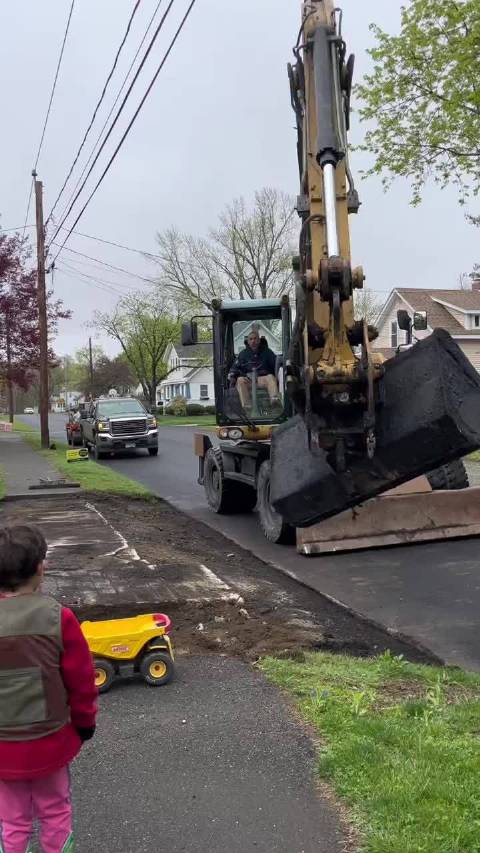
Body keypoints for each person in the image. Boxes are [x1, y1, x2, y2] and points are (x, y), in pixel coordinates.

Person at [0, 524, 97, 853]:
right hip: (50, 742)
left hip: (2, 748)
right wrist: (84, 724)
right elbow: (82, 680)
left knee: (12, 819)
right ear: (41, 568)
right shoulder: (60, 618)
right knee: (55, 809)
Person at [229, 327, 280, 410]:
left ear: (259, 340)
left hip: (262, 379)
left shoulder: (267, 352)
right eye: (251, 339)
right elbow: (234, 368)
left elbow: (276, 365)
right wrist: (232, 377)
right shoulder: (243, 354)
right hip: (248, 380)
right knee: (240, 380)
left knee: (270, 377)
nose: (253, 341)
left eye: (255, 339)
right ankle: (247, 407)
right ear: (248, 342)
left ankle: (274, 401)